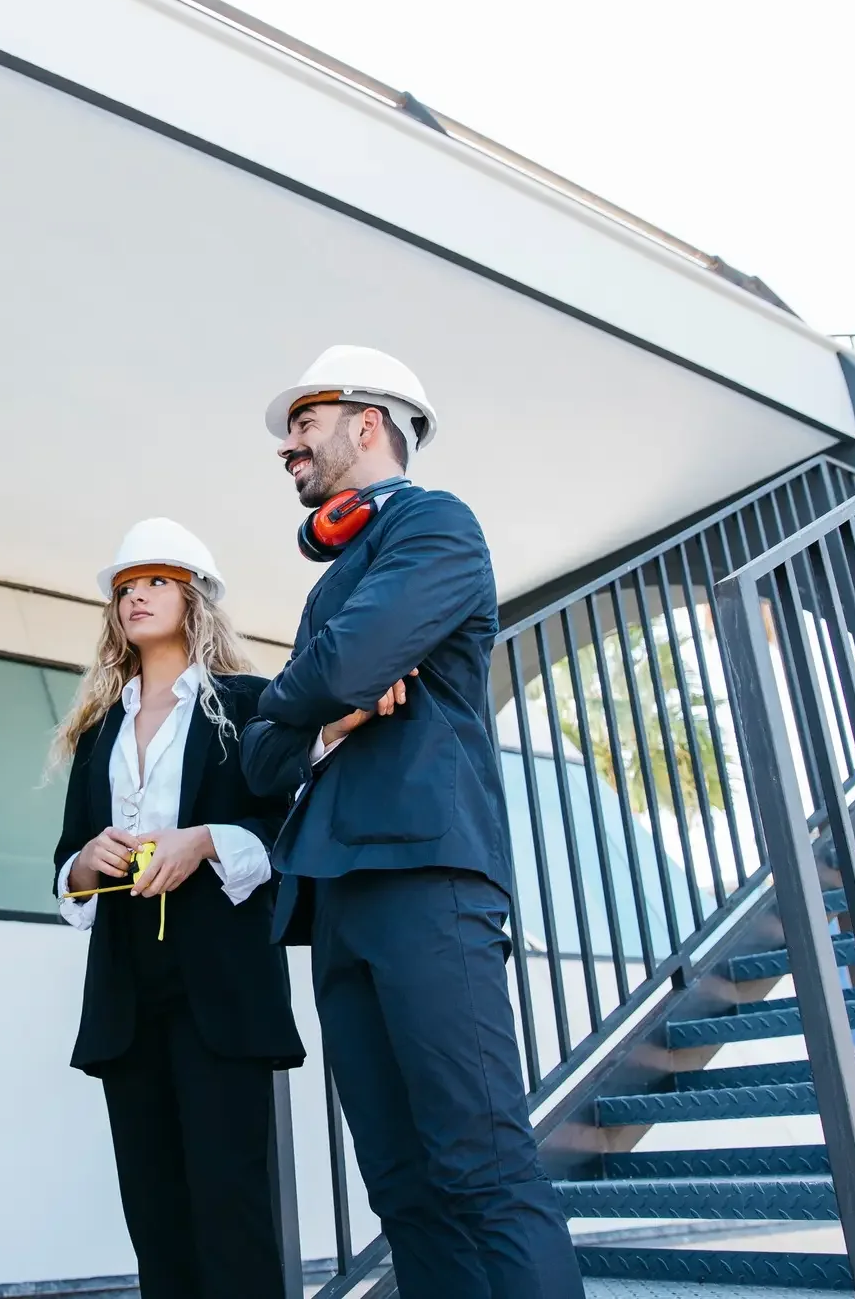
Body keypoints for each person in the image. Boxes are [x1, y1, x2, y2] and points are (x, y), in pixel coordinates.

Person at [241, 347, 582, 1299]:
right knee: (402, 1187)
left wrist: (301, 693)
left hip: (427, 880)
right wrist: (321, 713)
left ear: (368, 422)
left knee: (481, 1166)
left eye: (304, 422)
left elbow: (343, 670)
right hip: (335, 899)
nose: (288, 445)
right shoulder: (330, 585)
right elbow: (261, 758)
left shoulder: (436, 524)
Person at [50, 518, 304, 1299]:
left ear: (197, 596)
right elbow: (64, 861)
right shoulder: (98, 729)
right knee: (154, 1215)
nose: (136, 595)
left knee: (231, 1206)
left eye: (157, 580)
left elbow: (289, 829)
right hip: (126, 989)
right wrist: (85, 863)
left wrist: (205, 840)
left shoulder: (251, 703)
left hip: (220, 983)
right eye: (127, 586)